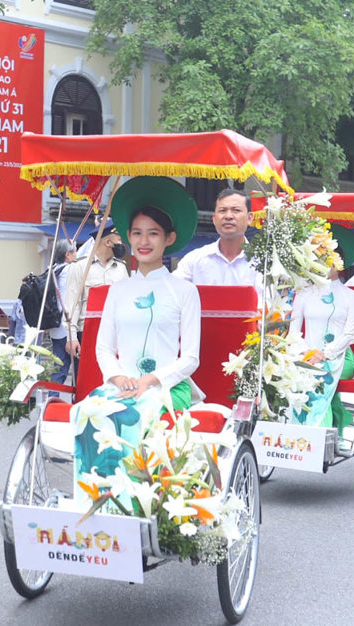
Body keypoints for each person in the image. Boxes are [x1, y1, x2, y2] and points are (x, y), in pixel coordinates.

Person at [70, 177, 201, 505]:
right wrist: (116, 377)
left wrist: (151, 380)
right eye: (138, 233)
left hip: (166, 386)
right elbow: (102, 347)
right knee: (88, 411)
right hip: (120, 383)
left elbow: (191, 357)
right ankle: (93, 501)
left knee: (134, 416)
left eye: (153, 233)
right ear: (127, 237)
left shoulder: (184, 291)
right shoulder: (118, 290)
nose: (144, 241)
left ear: (169, 238)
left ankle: (135, 505)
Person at [286, 251, 354, 441]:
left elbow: (349, 333)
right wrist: (307, 352)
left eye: (327, 260)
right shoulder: (303, 294)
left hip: (340, 357)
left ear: (339, 264)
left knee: (320, 374)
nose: (322, 264)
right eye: (318, 259)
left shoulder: (352, 296)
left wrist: (324, 354)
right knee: (293, 376)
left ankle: (316, 438)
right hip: (306, 355)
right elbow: (294, 331)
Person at [64, 222, 128, 359]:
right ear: (108, 242)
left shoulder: (121, 268)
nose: (122, 245)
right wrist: (72, 337)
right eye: (119, 241)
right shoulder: (81, 266)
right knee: (86, 379)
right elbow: (72, 304)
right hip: (87, 333)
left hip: (115, 335)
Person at [173, 187, 259, 286]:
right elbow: (174, 293)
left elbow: (268, 300)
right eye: (222, 210)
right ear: (214, 219)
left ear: (249, 218)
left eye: (236, 210)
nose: (228, 216)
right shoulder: (194, 260)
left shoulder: (261, 262)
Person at [48, 238, 76, 384]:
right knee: (70, 370)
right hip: (68, 326)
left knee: (58, 368)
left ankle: (51, 400)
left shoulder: (53, 269)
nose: (76, 254)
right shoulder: (69, 270)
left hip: (55, 325)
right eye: (74, 251)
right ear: (67, 254)